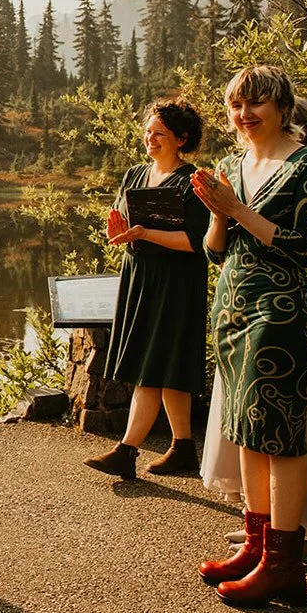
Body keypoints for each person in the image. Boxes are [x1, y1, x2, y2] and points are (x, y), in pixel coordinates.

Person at [192, 65, 307, 607]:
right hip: (231, 308)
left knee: (280, 436)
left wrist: (237, 210)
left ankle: (284, 566)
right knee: (244, 430)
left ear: (282, 106)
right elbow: (217, 250)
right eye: (236, 105)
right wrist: (218, 215)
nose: (244, 114)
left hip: (279, 313)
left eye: (256, 104)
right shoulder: (231, 164)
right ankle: (255, 545)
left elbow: (302, 248)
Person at [84, 99, 210, 479]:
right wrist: (119, 233)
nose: (149, 139)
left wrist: (145, 233)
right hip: (139, 275)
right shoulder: (135, 175)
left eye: (159, 133)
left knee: (155, 367)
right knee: (165, 364)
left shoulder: (194, 182)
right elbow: (126, 221)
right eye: (148, 131)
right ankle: (184, 448)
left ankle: (126, 450)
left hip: (176, 282)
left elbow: (197, 241)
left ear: (181, 139)